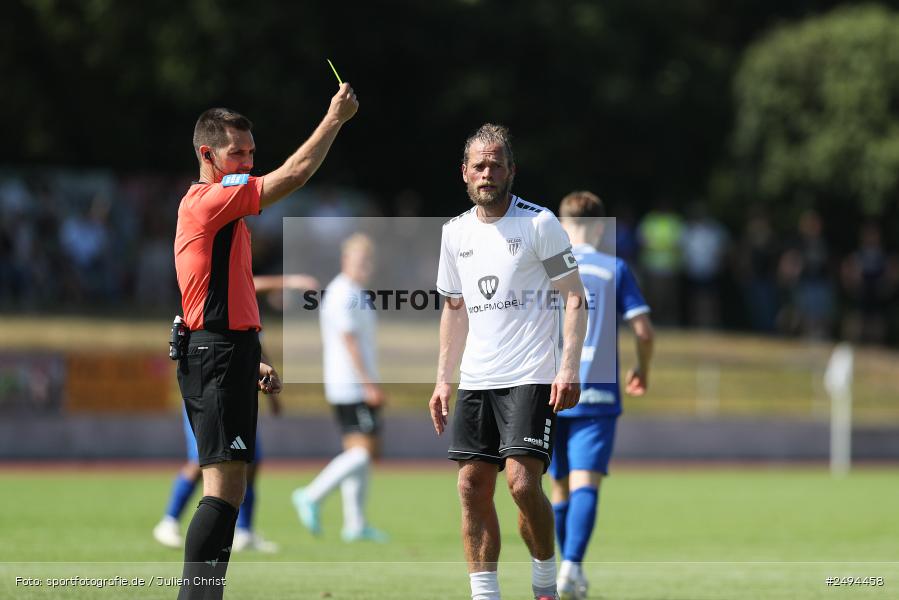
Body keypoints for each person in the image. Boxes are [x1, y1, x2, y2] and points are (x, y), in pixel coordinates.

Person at [173, 84, 358, 599]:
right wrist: (334, 119)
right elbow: (294, 175)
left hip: (225, 350)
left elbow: (222, 291)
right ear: (207, 155)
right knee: (224, 489)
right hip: (215, 352)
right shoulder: (211, 200)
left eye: (253, 152)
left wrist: (252, 357)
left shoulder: (222, 209)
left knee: (228, 487)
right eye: (238, 153)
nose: (250, 162)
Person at [429, 124, 588, 600]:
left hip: (532, 374)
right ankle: (485, 595)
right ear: (464, 173)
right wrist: (442, 379)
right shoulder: (454, 233)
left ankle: (544, 583)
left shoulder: (539, 223)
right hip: (477, 380)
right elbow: (454, 309)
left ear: (511, 170)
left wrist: (569, 367)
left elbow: (575, 298)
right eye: (479, 164)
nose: (487, 172)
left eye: (497, 164)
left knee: (521, 484)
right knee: (471, 487)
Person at [153, 275, 318, 553]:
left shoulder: (250, 316)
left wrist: (273, 392)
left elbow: (258, 353)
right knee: (202, 461)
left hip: (237, 394)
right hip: (208, 386)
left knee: (249, 462)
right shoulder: (231, 298)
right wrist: (290, 281)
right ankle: (168, 521)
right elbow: (250, 282)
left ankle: (245, 531)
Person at [550, 191, 654, 600]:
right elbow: (644, 331)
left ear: (562, 226)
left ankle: (563, 568)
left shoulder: (547, 268)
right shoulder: (615, 268)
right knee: (585, 483)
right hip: (597, 392)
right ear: (598, 227)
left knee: (557, 487)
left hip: (551, 390)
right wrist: (642, 369)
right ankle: (572, 567)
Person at [291, 233, 388, 542]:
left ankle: (355, 524)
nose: (365, 266)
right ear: (345, 261)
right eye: (360, 260)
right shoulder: (341, 292)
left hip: (353, 383)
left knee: (358, 453)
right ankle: (310, 495)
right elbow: (349, 341)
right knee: (364, 453)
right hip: (350, 384)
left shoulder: (356, 292)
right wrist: (368, 384)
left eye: (368, 261)